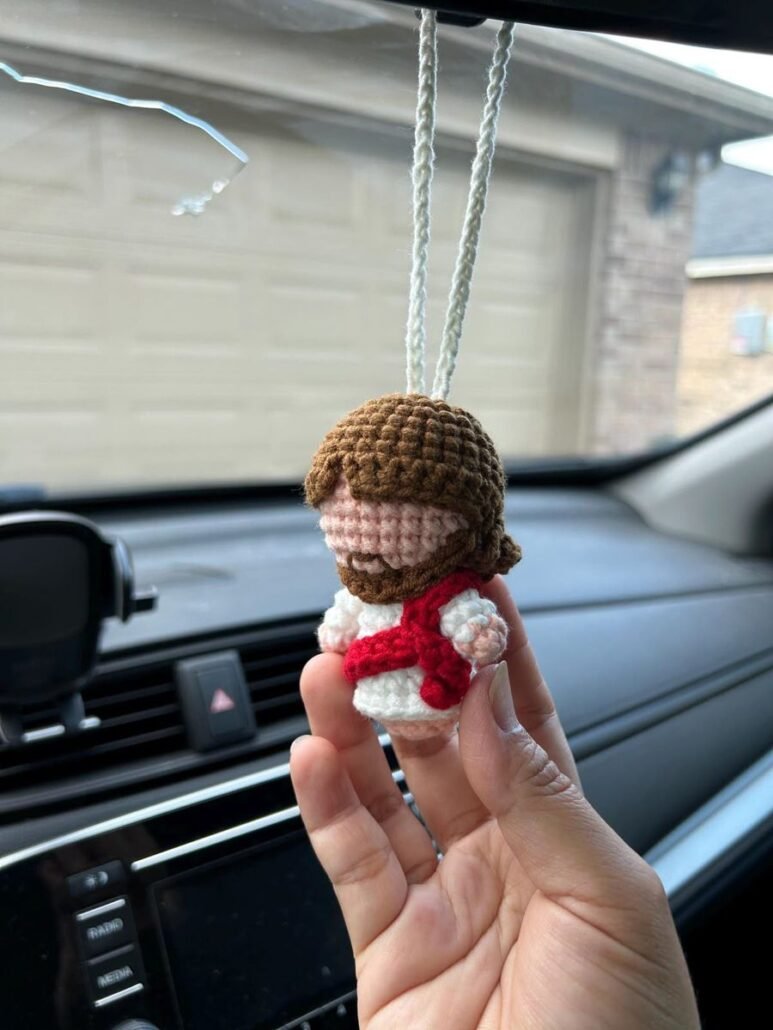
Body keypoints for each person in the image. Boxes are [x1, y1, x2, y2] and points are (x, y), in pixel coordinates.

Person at [290, 576, 701, 1029]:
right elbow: (346, 622)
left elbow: (471, 625)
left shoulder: (441, 589)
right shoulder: (375, 591)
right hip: (390, 689)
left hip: (435, 691)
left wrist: (474, 628)